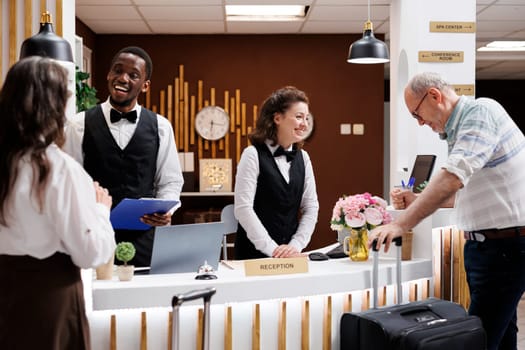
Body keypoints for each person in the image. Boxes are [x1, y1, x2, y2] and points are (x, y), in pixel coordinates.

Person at [369, 72, 525, 350]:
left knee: (478, 339)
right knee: (501, 338)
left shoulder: (480, 112)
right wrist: (416, 198)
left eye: (417, 114)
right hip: (490, 249)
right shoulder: (460, 129)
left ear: (434, 96)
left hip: (504, 250)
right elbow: (462, 193)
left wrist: (401, 224)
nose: (420, 123)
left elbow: (453, 176)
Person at [0, 56, 116, 349]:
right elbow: (90, 253)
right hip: (49, 301)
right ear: (53, 106)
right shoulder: (57, 168)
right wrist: (101, 209)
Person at [63, 46, 184, 267]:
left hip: (145, 238)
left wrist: (165, 211)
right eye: (117, 71)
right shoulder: (78, 124)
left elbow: (171, 181)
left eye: (133, 75)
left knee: (146, 300)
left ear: (145, 85)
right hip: (94, 236)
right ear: (109, 74)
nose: (123, 78)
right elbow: (69, 181)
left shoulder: (161, 127)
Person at [234, 86, 319, 259]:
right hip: (253, 256)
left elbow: (311, 207)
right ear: (277, 118)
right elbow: (243, 209)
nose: (304, 124)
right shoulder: (252, 155)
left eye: (306, 118)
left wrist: (296, 245)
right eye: (298, 117)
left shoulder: (304, 157)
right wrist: (272, 249)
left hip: (291, 256)